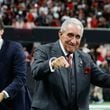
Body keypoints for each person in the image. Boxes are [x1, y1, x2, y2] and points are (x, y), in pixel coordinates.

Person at [30, 17, 110, 110]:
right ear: (60, 34)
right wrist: (52, 64)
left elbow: (102, 79)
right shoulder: (44, 50)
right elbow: (36, 72)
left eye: (77, 37)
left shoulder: (85, 58)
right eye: (70, 35)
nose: (73, 41)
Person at [0, 19, 31, 110]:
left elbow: (20, 78)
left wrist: (3, 94)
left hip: (15, 103)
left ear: (2, 31)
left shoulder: (15, 48)